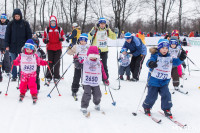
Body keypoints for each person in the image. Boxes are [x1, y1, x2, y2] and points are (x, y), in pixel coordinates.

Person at [142, 39, 186, 118]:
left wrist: (181, 59)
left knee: (166, 95)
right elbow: (149, 61)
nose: (165, 50)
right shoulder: (155, 55)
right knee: (152, 96)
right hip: (154, 81)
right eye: (163, 48)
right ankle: (147, 107)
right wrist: (151, 63)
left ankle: (167, 109)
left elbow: (176, 62)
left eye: (166, 48)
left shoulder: (170, 56)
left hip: (164, 81)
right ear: (159, 48)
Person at [80, 46, 109, 115]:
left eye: (95, 56)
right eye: (91, 56)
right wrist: (76, 60)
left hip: (95, 82)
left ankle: (97, 103)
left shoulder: (99, 63)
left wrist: (105, 79)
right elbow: (79, 64)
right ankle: (84, 106)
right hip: (87, 82)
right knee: (87, 94)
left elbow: (103, 71)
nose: (93, 57)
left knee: (98, 94)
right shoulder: (85, 61)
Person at [5, 9, 32, 81]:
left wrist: (28, 44)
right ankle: (14, 76)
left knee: (22, 62)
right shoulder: (10, 24)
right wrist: (6, 45)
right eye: (15, 16)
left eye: (18, 16)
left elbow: (29, 34)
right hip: (12, 46)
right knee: (13, 62)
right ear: (13, 16)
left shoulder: (25, 23)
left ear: (20, 16)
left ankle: (21, 75)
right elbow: (7, 35)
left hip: (22, 47)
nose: (17, 17)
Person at [43, 15, 65, 84]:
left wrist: (62, 39)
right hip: (50, 48)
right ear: (50, 22)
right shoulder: (47, 29)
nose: (53, 23)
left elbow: (63, 36)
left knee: (57, 62)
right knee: (50, 62)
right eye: (51, 22)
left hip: (58, 47)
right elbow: (44, 37)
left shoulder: (59, 29)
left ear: (56, 22)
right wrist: (45, 41)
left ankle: (56, 76)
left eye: (54, 22)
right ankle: (49, 75)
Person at [67, 33, 89, 97]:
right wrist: (69, 48)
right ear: (79, 40)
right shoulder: (76, 46)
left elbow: (93, 53)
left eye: (84, 41)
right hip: (78, 63)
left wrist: (97, 51)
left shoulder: (88, 46)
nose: (83, 42)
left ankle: (86, 89)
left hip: (86, 64)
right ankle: (74, 90)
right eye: (81, 41)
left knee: (85, 77)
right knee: (77, 76)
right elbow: (69, 52)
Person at [0, 13, 10, 81]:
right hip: (0, 40)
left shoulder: (8, 24)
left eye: (4, 18)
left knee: (6, 57)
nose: (2, 20)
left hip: (5, 41)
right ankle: (1, 70)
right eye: (1, 18)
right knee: (0, 58)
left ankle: (7, 70)